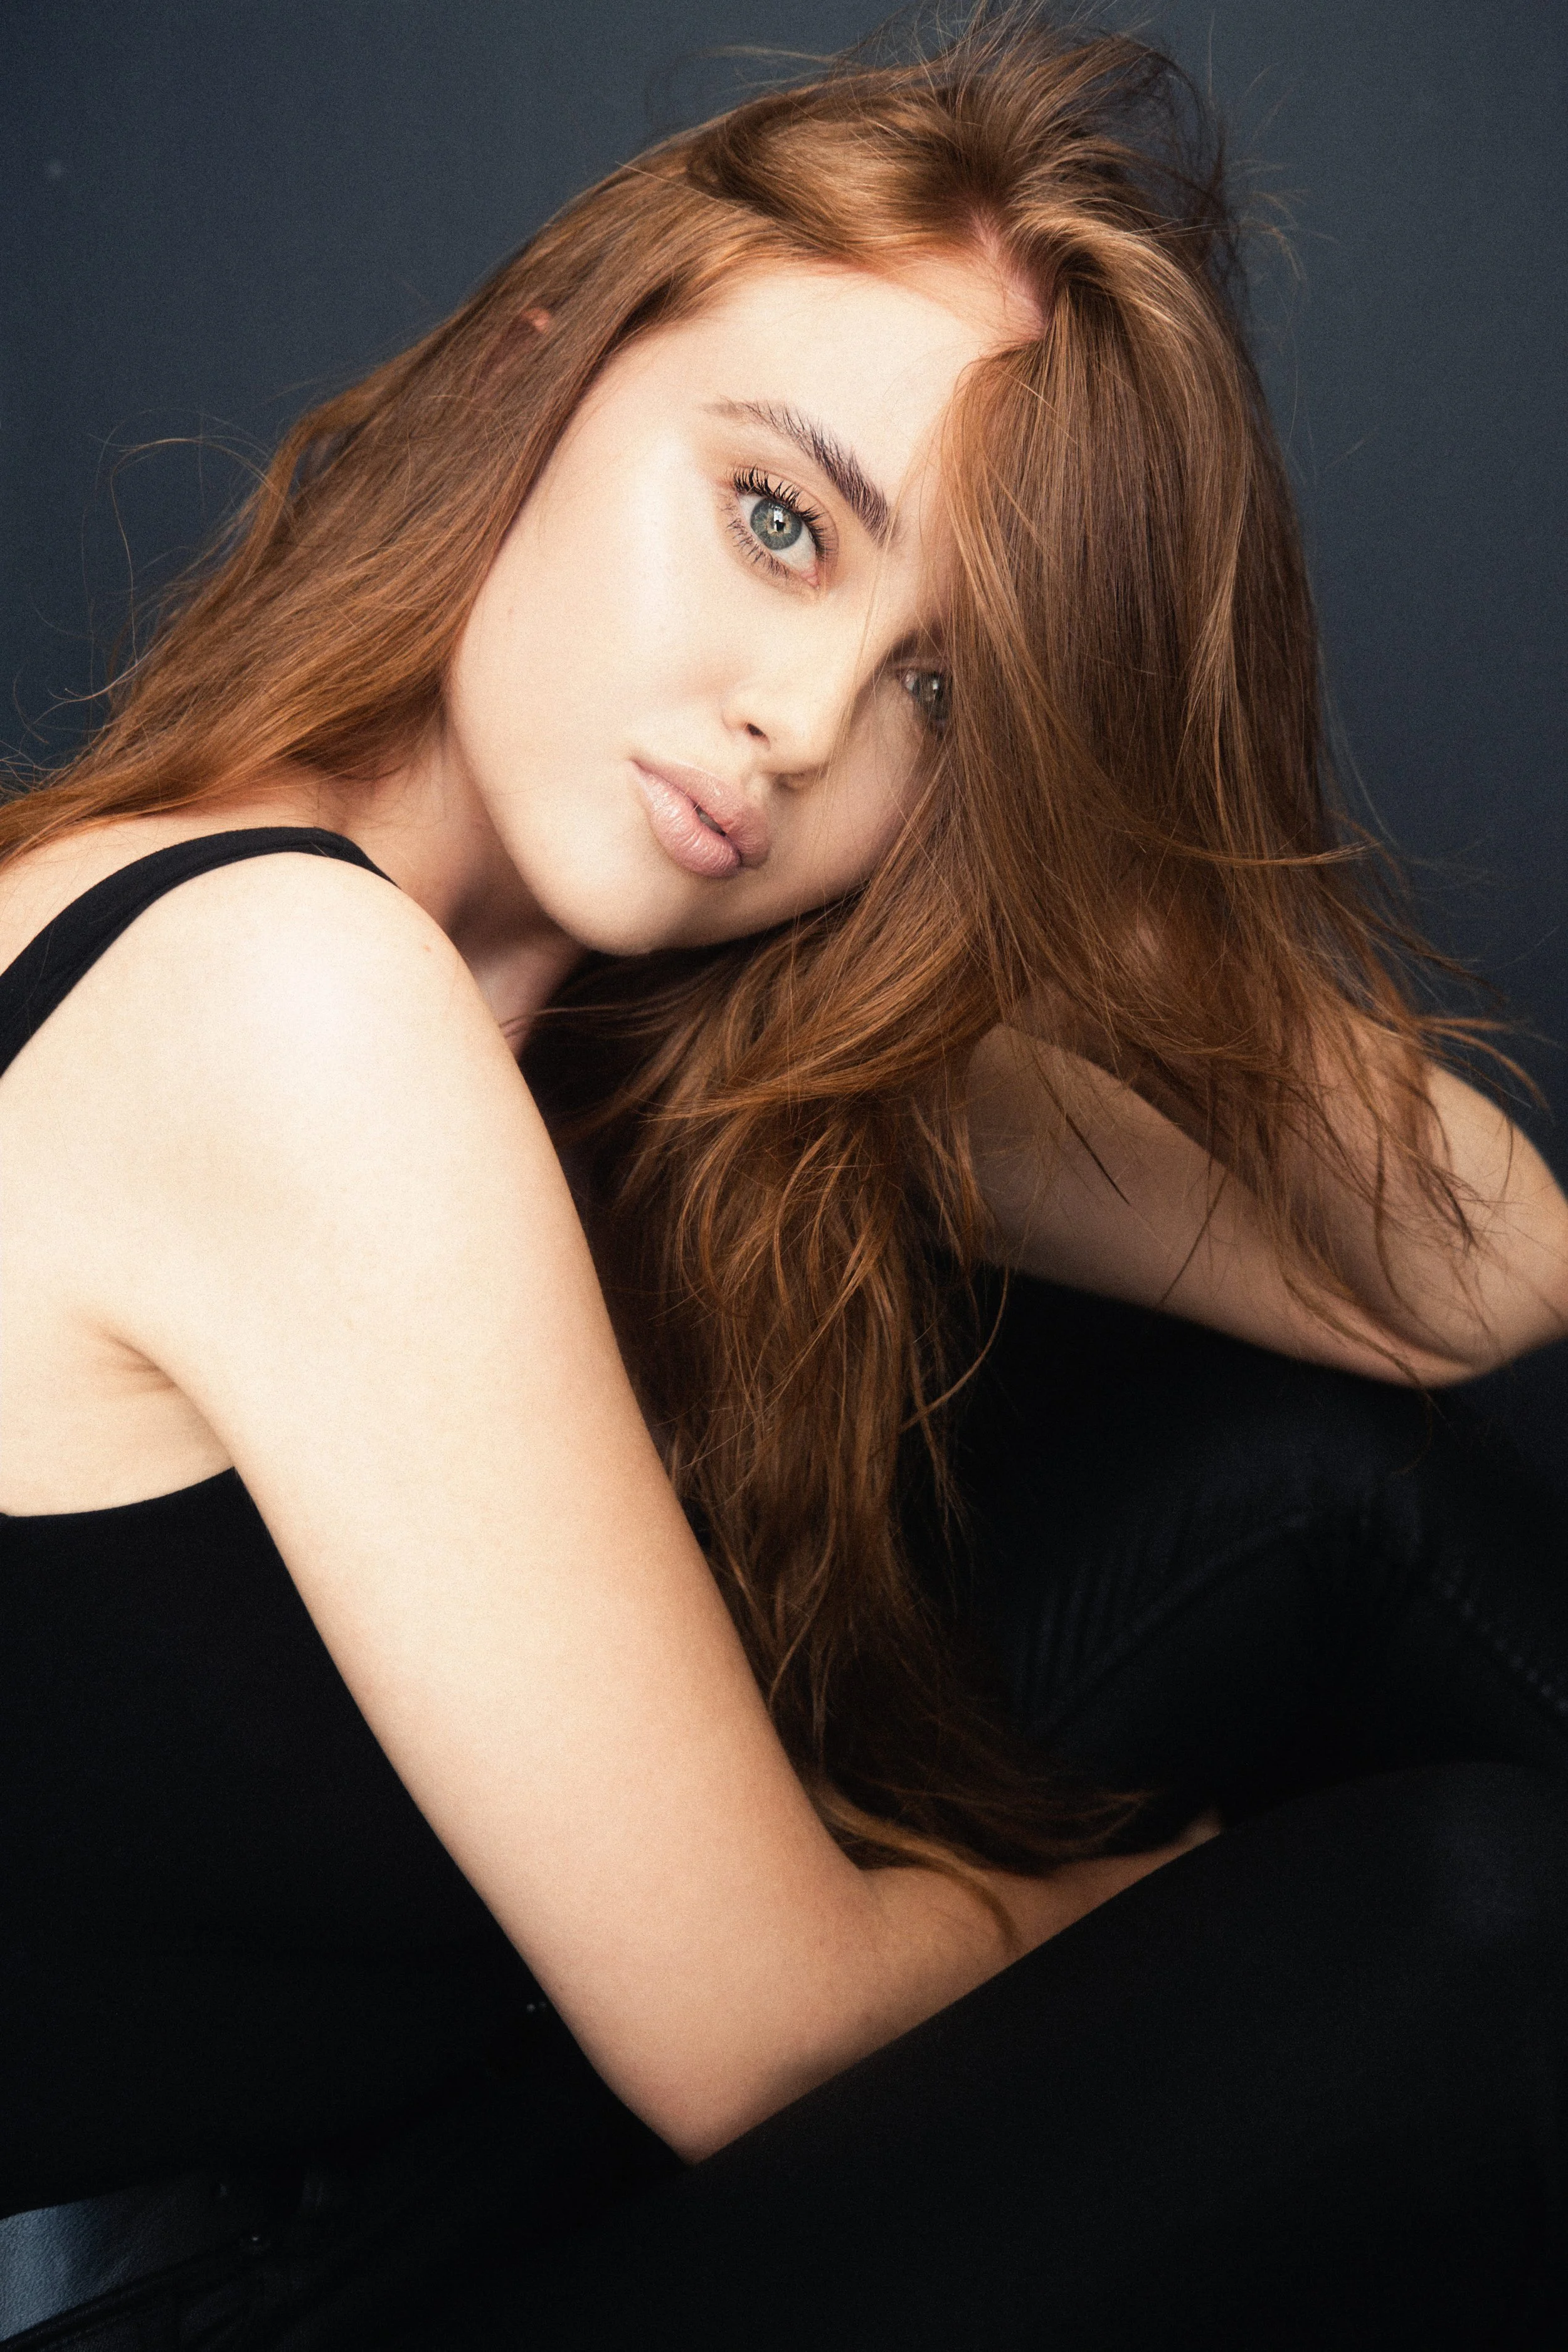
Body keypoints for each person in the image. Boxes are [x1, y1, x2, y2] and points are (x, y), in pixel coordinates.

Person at [3, 8, 1566, 2347]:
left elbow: (1470, 1277)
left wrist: (1077, 802)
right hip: (174, 2290)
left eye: (942, 684)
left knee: (1308, 1486)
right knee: (1473, 1917)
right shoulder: (273, 992)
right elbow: (776, 2044)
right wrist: (1168, 1909)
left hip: (404, 2154)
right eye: (775, 518)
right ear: (541, 373)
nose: (805, 719)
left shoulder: (647, 1037)